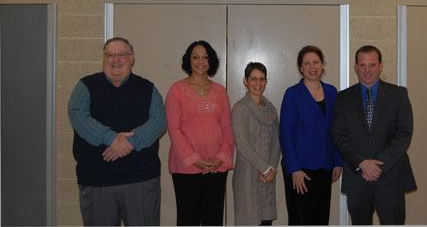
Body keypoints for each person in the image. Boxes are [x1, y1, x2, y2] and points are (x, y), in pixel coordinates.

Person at [67, 37, 166, 226]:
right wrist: (111, 138)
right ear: (103, 58)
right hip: (96, 180)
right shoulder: (85, 86)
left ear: (132, 58)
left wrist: (130, 142)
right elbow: (78, 115)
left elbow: (159, 121)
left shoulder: (147, 89)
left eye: (122, 54)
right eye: (110, 55)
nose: (115, 59)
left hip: (140, 180)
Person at [332, 45, 417, 225]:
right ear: (356, 67)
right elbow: (339, 135)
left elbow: (404, 134)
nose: (367, 70)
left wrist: (378, 166)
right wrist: (362, 163)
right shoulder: (343, 98)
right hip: (358, 178)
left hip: (391, 176)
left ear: (381, 66)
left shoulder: (398, 94)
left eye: (372, 65)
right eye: (362, 65)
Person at [165, 40, 234, 226]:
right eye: (195, 57)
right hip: (186, 167)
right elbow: (174, 129)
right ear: (189, 60)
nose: (200, 61)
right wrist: (196, 160)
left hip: (216, 166)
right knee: (189, 219)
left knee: (214, 219)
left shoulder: (220, 91)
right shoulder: (176, 90)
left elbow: (227, 128)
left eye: (205, 57)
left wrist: (220, 157)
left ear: (211, 61)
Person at [279, 45, 343, 225]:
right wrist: (294, 169)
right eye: (307, 63)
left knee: (320, 218)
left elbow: (337, 130)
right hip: (300, 169)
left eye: (315, 62)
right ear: (300, 68)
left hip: (325, 165)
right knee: (301, 219)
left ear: (322, 65)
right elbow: (285, 134)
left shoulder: (332, 92)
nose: (312, 67)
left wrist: (337, 161)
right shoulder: (292, 94)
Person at [231, 62, 281, 226]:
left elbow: (276, 141)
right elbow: (243, 145)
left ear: (266, 81)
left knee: (265, 221)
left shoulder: (271, 109)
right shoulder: (240, 108)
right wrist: (265, 169)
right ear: (245, 81)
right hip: (247, 176)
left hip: (267, 177)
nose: (257, 83)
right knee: (250, 221)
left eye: (261, 79)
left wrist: (271, 169)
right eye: (253, 79)